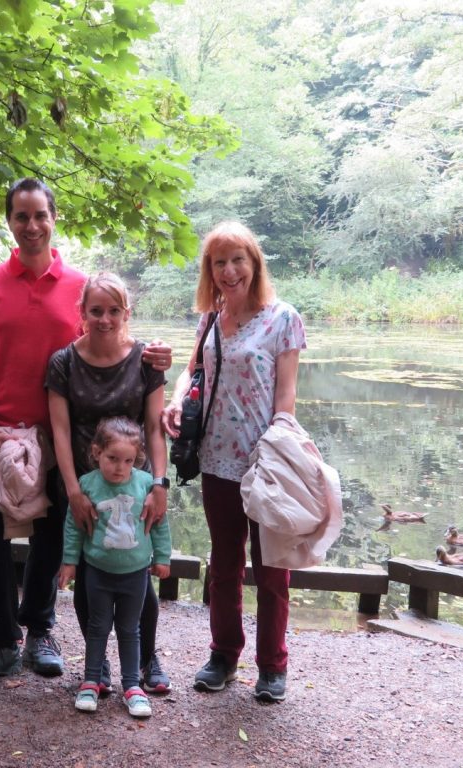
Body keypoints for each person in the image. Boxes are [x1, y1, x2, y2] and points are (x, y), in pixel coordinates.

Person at [0, 177, 171, 687]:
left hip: (61, 441)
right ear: (10, 222)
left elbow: (109, 339)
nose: (31, 225)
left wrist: (156, 355)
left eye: (40, 215)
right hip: (4, 434)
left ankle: (39, 631)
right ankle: (2, 639)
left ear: (53, 219)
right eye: (21, 216)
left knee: (54, 534)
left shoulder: (79, 286)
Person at [162, 220, 306, 703]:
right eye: (219, 262)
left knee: (272, 570)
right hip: (216, 460)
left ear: (254, 263)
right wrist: (176, 400)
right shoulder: (210, 319)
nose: (229, 271)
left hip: (265, 463)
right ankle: (223, 656)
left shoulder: (283, 319)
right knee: (224, 565)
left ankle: (273, 665)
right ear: (210, 271)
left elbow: (286, 398)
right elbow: (192, 373)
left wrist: (277, 453)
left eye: (237, 260)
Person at [46, 272, 171, 695]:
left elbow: (154, 428)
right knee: (90, 573)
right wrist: (74, 493)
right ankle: (96, 666)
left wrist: (159, 484)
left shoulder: (146, 360)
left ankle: (147, 659)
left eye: (113, 311)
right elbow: (60, 431)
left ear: (126, 313)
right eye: (96, 311)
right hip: (85, 485)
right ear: (81, 313)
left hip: (133, 482)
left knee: (138, 574)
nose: (105, 319)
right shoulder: (63, 362)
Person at [58, 418, 171, 719]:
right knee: (97, 627)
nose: (120, 468)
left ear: (137, 460)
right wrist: (69, 562)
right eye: (112, 459)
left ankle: (132, 686)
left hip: (135, 574)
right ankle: (91, 682)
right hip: (98, 572)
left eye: (128, 461)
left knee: (129, 629)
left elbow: (159, 524)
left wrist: (162, 557)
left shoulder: (145, 484)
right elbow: (74, 526)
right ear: (97, 453)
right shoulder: (87, 484)